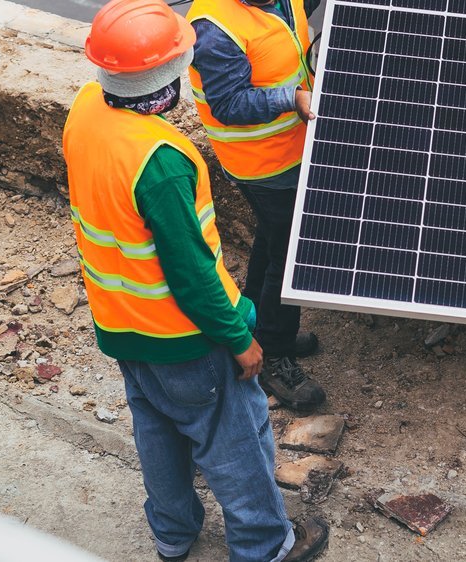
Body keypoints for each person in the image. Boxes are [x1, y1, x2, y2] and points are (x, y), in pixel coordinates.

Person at [62, 1, 328, 560]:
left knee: (157, 433)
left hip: (121, 326)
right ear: (167, 77)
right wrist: (240, 339)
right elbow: (191, 275)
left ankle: (173, 533)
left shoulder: (85, 109)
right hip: (185, 339)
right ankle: (264, 544)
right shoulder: (160, 161)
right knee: (236, 442)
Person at [186, 0, 326, 414]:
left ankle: (257, 327)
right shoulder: (214, 28)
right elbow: (229, 104)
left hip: (297, 147)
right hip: (262, 164)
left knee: (271, 239)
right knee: (289, 254)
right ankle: (276, 356)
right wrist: (292, 97)